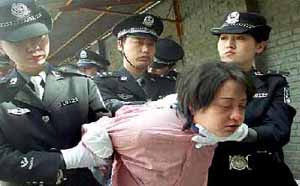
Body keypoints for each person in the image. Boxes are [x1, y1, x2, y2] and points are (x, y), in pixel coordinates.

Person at [81, 62, 255, 185]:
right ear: (193, 105)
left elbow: (247, 133)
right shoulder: (148, 131)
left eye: (242, 106)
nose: (237, 116)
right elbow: (98, 131)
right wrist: (95, 136)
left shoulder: (217, 129)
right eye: (225, 105)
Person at [0, 0, 113, 185]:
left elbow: (105, 126)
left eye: (39, 36)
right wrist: (64, 160)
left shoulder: (80, 84)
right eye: (19, 41)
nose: (33, 46)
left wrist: (104, 134)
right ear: (1, 46)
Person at [208, 11, 297, 186]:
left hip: (264, 172)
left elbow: (278, 131)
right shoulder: (202, 84)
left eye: (240, 38)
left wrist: (243, 133)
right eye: (224, 38)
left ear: (260, 46)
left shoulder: (273, 84)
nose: (229, 45)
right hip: (216, 173)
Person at [95, 13, 174, 114]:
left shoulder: (169, 84)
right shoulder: (102, 83)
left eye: (150, 44)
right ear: (120, 45)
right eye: (138, 42)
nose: (145, 50)